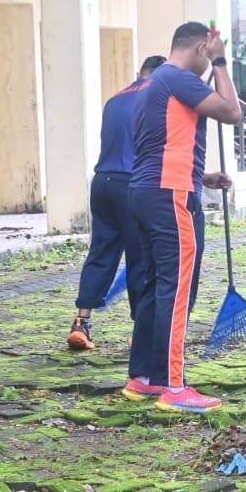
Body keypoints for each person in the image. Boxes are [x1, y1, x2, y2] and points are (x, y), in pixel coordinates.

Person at [123, 22, 241, 413]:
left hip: (146, 191)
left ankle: (144, 378)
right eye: (208, 54)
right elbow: (232, 112)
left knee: (156, 285)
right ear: (201, 48)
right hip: (171, 194)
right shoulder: (178, 78)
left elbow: (162, 143)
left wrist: (201, 176)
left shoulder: (154, 82)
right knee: (176, 289)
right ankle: (174, 387)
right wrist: (221, 62)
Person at [67, 55, 166, 351]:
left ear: (140, 72)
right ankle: (142, 331)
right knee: (141, 258)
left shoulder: (114, 100)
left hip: (102, 182)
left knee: (101, 253)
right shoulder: (157, 99)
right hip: (132, 184)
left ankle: (81, 322)